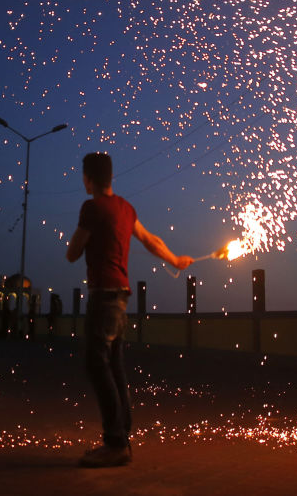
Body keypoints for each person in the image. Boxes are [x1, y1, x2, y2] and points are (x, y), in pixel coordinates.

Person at [65, 152, 193, 468]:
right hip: (121, 296)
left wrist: (81, 242)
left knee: (96, 364)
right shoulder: (126, 208)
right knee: (114, 365)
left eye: (83, 176)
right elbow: (151, 240)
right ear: (111, 177)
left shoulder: (92, 207)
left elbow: (72, 252)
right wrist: (175, 260)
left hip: (103, 295)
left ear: (88, 179)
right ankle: (121, 435)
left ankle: (116, 443)